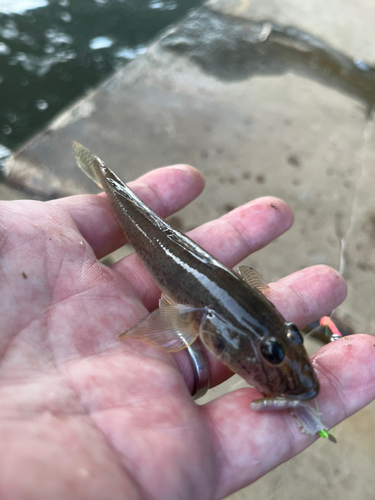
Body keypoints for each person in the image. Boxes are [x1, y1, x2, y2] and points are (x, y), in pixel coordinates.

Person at [0, 162, 372, 500]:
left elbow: (246, 286)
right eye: (271, 353)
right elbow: (175, 317)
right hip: (176, 258)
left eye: (289, 338)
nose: (286, 353)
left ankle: (105, 177)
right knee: (122, 198)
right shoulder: (199, 316)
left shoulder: (247, 315)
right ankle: (105, 177)